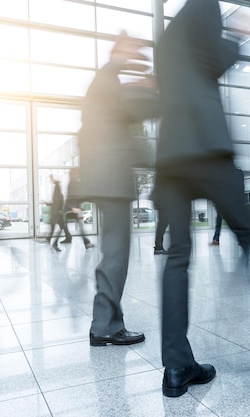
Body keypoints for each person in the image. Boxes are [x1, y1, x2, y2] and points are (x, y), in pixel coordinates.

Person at [153, 0, 250, 397]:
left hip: (171, 154)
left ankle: (177, 367)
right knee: (247, 231)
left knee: (178, 257)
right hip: (206, 145)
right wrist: (240, 36)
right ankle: (243, 308)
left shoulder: (167, 34)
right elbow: (213, 60)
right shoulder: (206, 5)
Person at [77, 31, 160, 347]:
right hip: (110, 181)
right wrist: (148, 89)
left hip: (106, 179)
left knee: (114, 254)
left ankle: (108, 323)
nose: (133, 54)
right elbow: (133, 108)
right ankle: (104, 327)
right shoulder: (106, 82)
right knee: (115, 255)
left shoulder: (105, 83)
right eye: (127, 49)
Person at [65, 167, 94, 249]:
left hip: (72, 208)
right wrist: (73, 208)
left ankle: (86, 242)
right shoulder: (73, 183)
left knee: (67, 226)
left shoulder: (72, 182)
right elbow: (73, 196)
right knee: (80, 226)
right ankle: (87, 243)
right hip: (73, 208)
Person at [46, 174, 72, 251]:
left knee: (53, 224)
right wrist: (49, 203)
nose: (50, 181)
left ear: (53, 178)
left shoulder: (57, 187)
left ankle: (49, 238)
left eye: (51, 179)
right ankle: (68, 237)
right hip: (58, 210)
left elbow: (58, 200)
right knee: (62, 225)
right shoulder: (57, 187)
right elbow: (58, 200)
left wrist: (59, 209)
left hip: (57, 210)